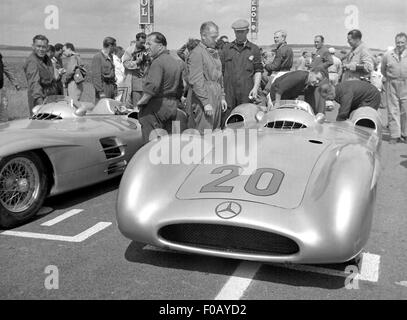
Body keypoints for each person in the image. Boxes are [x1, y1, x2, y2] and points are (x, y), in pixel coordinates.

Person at [136, 32, 184, 143]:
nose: (146, 46)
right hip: (172, 107)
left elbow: (152, 87)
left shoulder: (157, 62)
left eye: (149, 44)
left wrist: (140, 103)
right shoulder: (176, 62)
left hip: (156, 107)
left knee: (150, 144)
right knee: (168, 142)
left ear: (161, 46)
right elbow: (180, 88)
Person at [187, 21, 227, 133]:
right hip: (205, 96)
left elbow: (220, 76)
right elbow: (196, 81)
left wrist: (222, 97)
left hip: (216, 95)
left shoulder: (214, 53)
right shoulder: (197, 53)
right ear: (203, 36)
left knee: (216, 132)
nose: (216, 40)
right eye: (213, 37)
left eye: (217, 37)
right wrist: (205, 103)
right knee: (204, 134)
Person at [220, 19, 263, 125]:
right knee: (227, 121)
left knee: (247, 121)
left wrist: (255, 88)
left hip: (246, 92)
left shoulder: (254, 49)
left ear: (247, 31)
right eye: (236, 32)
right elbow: (220, 72)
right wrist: (222, 95)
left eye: (241, 32)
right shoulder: (226, 49)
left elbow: (258, 70)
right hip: (229, 92)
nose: (239, 34)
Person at [381, 32, 407, 144]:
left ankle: (405, 134)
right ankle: (394, 135)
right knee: (393, 109)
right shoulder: (388, 55)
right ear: (395, 43)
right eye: (398, 42)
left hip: (406, 83)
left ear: (406, 43)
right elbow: (383, 69)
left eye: (402, 42)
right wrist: (390, 78)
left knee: (405, 110)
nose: (400, 44)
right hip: (392, 83)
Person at [23, 34, 58, 115]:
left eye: (44, 47)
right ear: (33, 46)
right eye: (38, 46)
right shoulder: (32, 61)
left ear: (47, 47)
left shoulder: (47, 59)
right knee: (39, 124)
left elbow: (52, 78)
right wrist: (41, 104)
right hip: (39, 98)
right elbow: (34, 84)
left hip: (50, 96)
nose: (41, 49)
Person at [122, 32, 149, 108]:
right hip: (134, 81)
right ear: (136, 41)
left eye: (144, 43)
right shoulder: (130, 50)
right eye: (141, 43)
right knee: (136, 106)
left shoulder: (146, 50)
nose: (143, 44)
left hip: (145, 81)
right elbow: (125, 63)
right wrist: (137, 62)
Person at [0, 52, 21, 121]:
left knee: (3, 110)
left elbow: (8, 71)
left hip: (1, 89)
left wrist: (16, 84)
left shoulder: (1, 60)